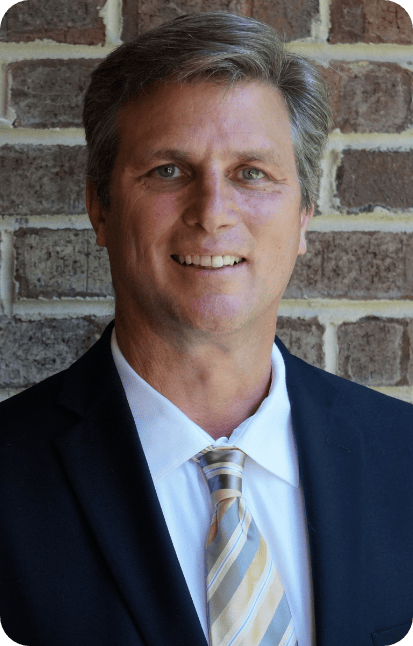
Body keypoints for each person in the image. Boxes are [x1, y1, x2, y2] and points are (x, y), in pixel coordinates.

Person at [0, 11, 412, 646]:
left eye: (252, 172)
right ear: (99, 209)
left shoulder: (403, 457)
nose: (213, 213)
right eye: (168, 170)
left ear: (304, 216)